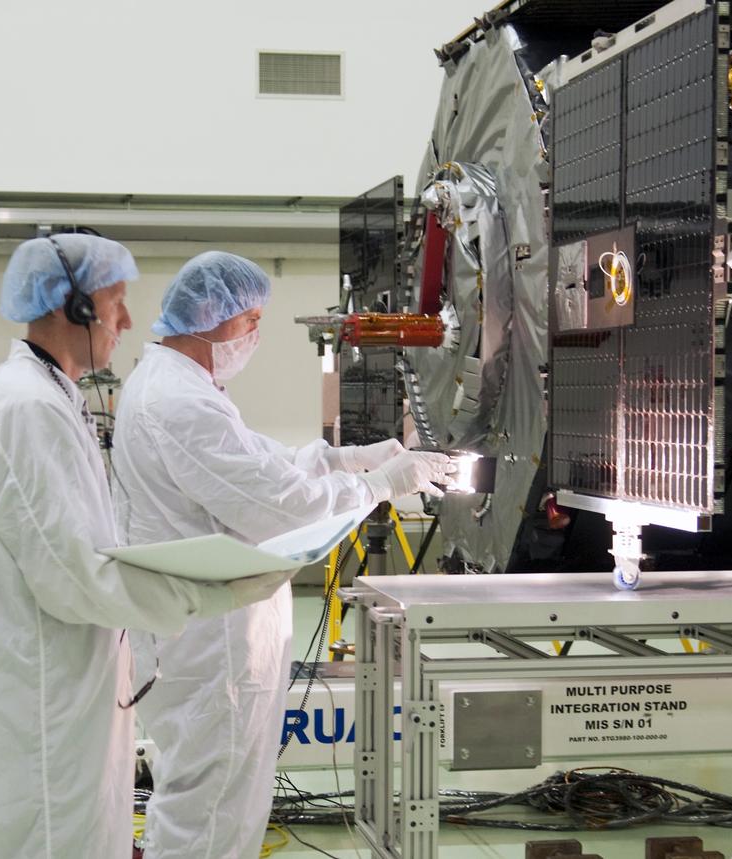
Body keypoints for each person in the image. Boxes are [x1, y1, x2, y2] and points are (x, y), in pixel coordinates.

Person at [0, 236, 293, 858]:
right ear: (72, 308)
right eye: (116, 302)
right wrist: (215, 587)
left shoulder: (50, 394)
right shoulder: (26, 407)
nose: (129, 321)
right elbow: (75, 576)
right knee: (56, 841)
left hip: (67, 681)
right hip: (43, 698)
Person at [113, 251, 450, 858]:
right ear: (210, 318)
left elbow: (256, 466)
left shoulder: (183, 387)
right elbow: (277, 506)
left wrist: (345, 459)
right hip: (208, 648)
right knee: (209, 813)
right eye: (251, 321)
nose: (256, 336)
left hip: (206, 636)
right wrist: (380, 485)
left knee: (220, 805)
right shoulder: (178, 402)